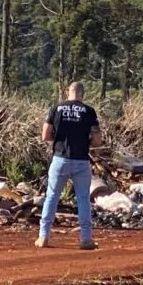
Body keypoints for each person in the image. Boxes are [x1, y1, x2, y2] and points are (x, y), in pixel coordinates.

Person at [37, 81, 102, 250]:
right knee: (83, 199)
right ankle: (86, 239)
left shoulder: (56, 109)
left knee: (52, 196)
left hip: (60, 159)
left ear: (68, 92)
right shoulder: (89, 111)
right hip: (81, 160)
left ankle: (43, 236)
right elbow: (97, 140)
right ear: (83, 94)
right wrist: (86, 142)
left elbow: (45, 135)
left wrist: (59, 140)